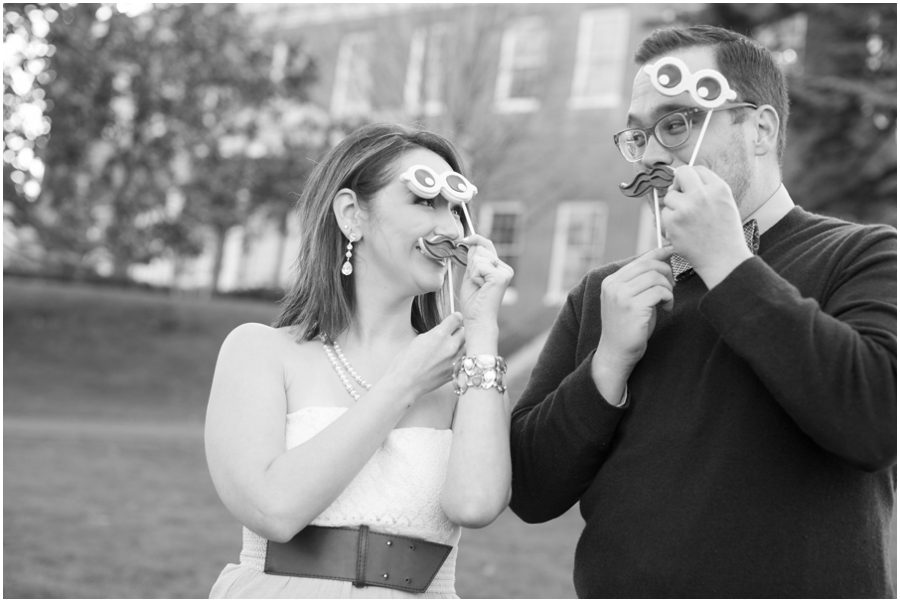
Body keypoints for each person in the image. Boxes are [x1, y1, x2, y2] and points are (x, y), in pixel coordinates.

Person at [509, 25, 896, 598]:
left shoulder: (866, 254)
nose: (656, 155)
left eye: (678, 122)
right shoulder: (605, 292)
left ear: (759, 129)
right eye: (639, 136)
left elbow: (874, 422)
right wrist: (607, 363)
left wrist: (728, 264)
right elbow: (532, 491)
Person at [205, 123, 514, 598]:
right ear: (352, 214)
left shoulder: (465, 371)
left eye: (455, 209)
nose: (451, 229)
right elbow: (273, 510)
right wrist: (402, 385)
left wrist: (483, 331)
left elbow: (475, 504)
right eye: (423, 200)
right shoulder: (259, 352)